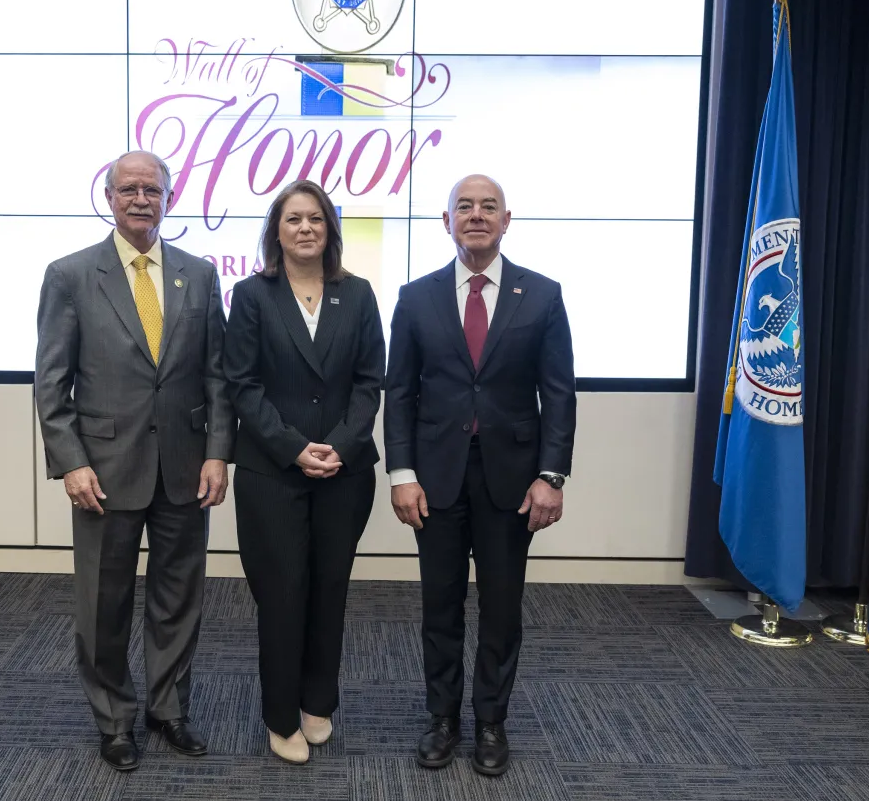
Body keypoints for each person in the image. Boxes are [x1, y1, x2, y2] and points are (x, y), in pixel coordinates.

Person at [34, 150, 235, 772]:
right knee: (103, 602)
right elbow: (51, 381)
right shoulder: (70, 275)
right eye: (129, 189)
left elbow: (217, 376)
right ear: (110, 197)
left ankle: (168, 709)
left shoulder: (198, 275)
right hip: (103, 470)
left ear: (168, 197)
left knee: (178, 597)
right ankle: (114, 719)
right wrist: (70, 462)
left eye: (152, 188)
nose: (141, 198)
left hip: (183, 468)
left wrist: (217, 454)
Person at [384, 174, 576, 777]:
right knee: (439, 607)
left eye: (487, 207)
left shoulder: (541, 296)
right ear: (445, 222)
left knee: (501, 608)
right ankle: (442, 719)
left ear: (506, 220)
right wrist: (401, 473)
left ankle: (491, 722)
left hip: (512, 483)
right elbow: (399, 394)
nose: (475, 215)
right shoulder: (416, 298)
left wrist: (552, 476)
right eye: (463, 207)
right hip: (435, 480)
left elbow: (559, 394)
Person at [222, 180, 385, 764]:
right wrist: (295, 448)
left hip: (345, 472)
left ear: (330, 230)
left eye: (316, 218)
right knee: (283, 593)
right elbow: (242, 384)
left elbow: (370, 383)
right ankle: (281, 715)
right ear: (276, 231)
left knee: (329, 589)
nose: (306, 228)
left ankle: (319, 701)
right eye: (293, 219)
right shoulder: (252, 295)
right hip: (273, 471)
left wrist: (340, 445)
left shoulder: (358, 295)